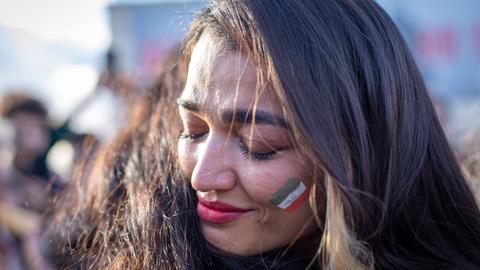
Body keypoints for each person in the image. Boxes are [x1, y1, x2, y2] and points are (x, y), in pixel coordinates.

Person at [46, 0, 480, 269]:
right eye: (193, 131)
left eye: (259, 146)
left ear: (362, 149)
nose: (203, 177)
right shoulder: (149, 248)